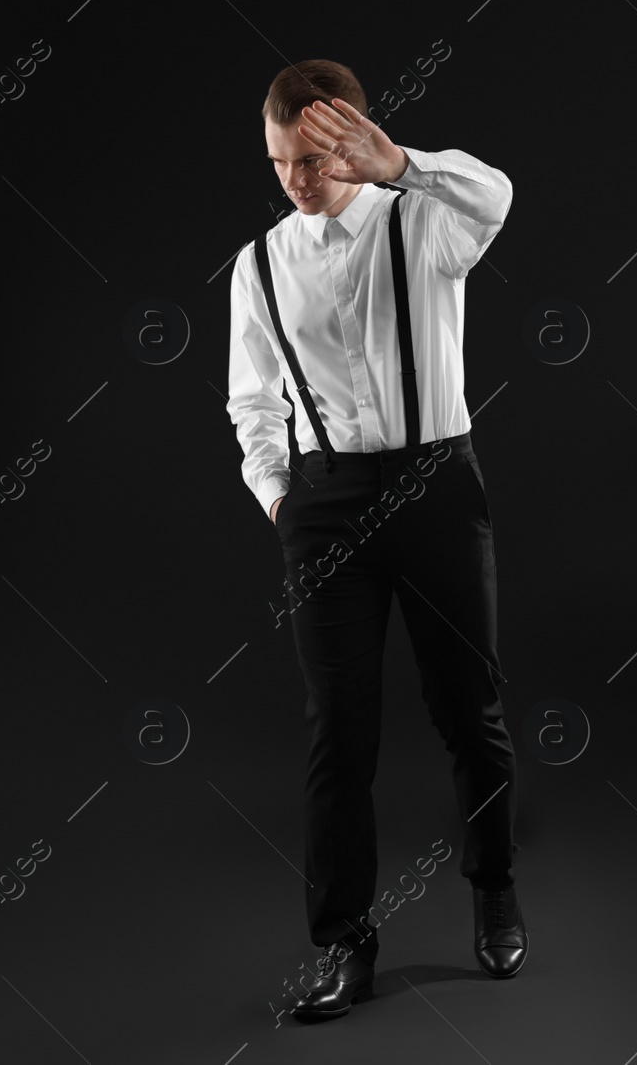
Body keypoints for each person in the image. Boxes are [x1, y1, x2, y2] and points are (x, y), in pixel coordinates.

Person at [225, 59, 524, 1021]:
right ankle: (345, 944)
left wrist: (403, 164)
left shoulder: (424, 219)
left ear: (352, 138)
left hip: (436, 481)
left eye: (312, 159)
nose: (297, 181)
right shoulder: (260, 263)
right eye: (279, 162)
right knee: (338, 733)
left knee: (468, 705)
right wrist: (280, 496)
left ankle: (495, 888)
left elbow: (498, 192)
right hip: (324, 505)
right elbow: (249, 403)